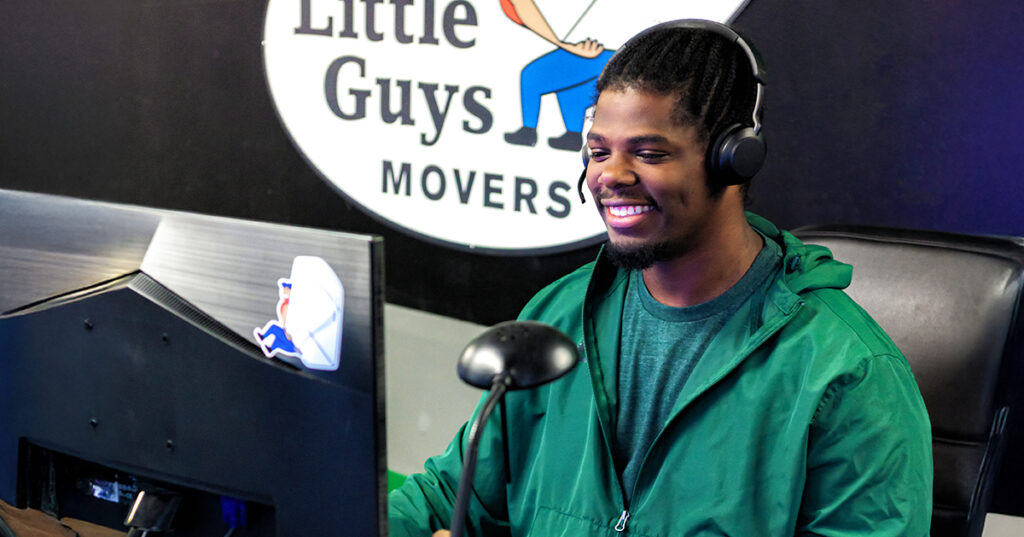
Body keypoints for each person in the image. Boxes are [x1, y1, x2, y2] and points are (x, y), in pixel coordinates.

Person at [389, 19, 933, 536]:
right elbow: (450, 497)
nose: (610, 176)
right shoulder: (557, 317)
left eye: (648, 153)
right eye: (598, 151)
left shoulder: (848, 373)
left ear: (732, 159)